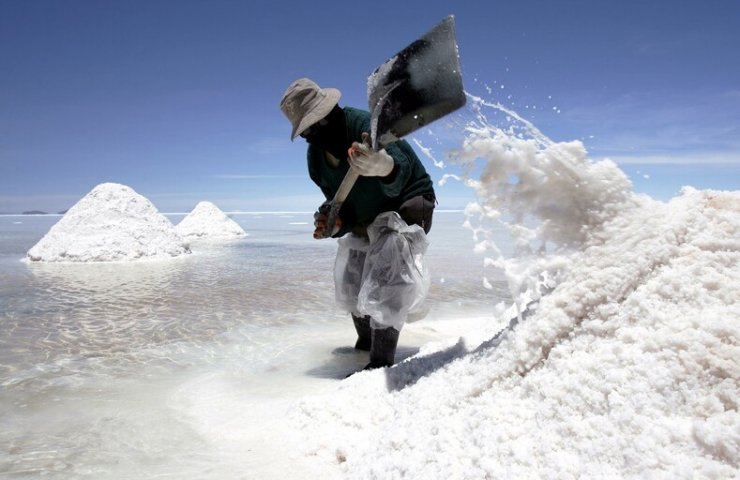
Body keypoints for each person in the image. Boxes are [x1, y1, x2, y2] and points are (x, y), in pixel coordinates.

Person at [280, 77, 436, 371]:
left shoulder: (367, 127)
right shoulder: (316, 161)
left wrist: (383, 167)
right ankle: (366, 343)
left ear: (332, 110)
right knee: (353, 271)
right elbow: (344, 207)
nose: (318, 131)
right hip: (368, 216)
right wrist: (336, 222)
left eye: (323, 119)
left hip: (409, 203)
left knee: (390, 258)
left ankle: (380, 363)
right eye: (309, 130)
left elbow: (401, 171)